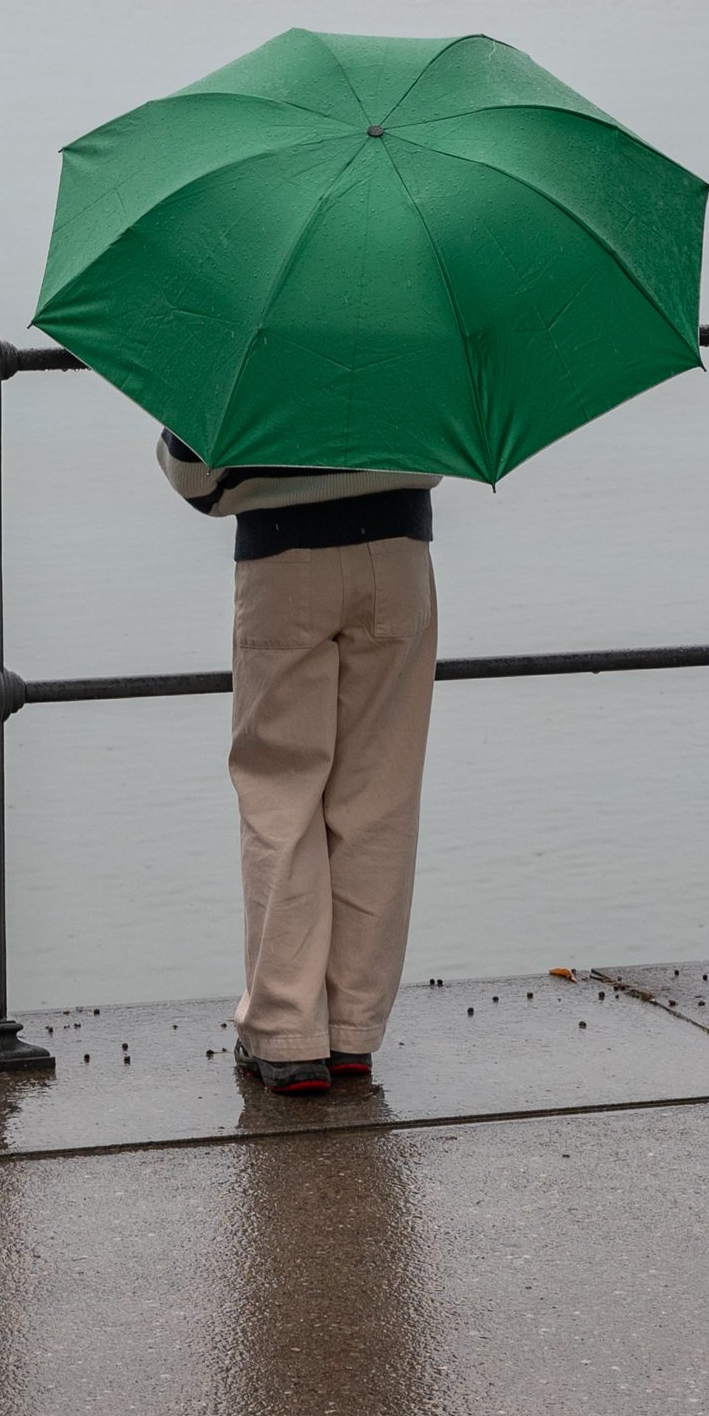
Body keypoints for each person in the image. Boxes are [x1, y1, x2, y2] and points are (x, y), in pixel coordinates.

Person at [160, 430, 443, 1094]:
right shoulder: (414, 327)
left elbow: (194, 479)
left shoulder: (249, 332)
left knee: (279, 794)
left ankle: (287, 1032)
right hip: (398, 551)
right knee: (380, 799)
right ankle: (352, 1030)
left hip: (282, 555)